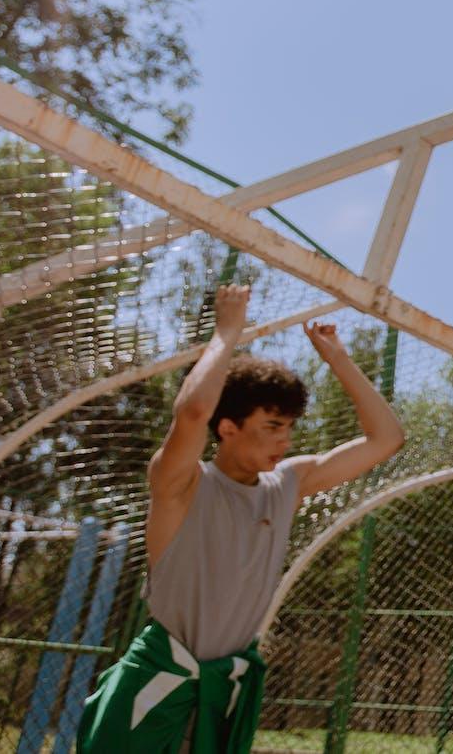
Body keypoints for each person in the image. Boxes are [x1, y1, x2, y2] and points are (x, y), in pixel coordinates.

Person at [79, 283, 405, 753]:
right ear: (228, 429)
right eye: (272, 427)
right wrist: (227, 333)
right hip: (159, 683)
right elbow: (193, 412)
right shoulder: (181, 482)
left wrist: (339, 360)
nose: (285, 440)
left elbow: (386, 439)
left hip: (224, 690)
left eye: (290, 427)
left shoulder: (287, 484)